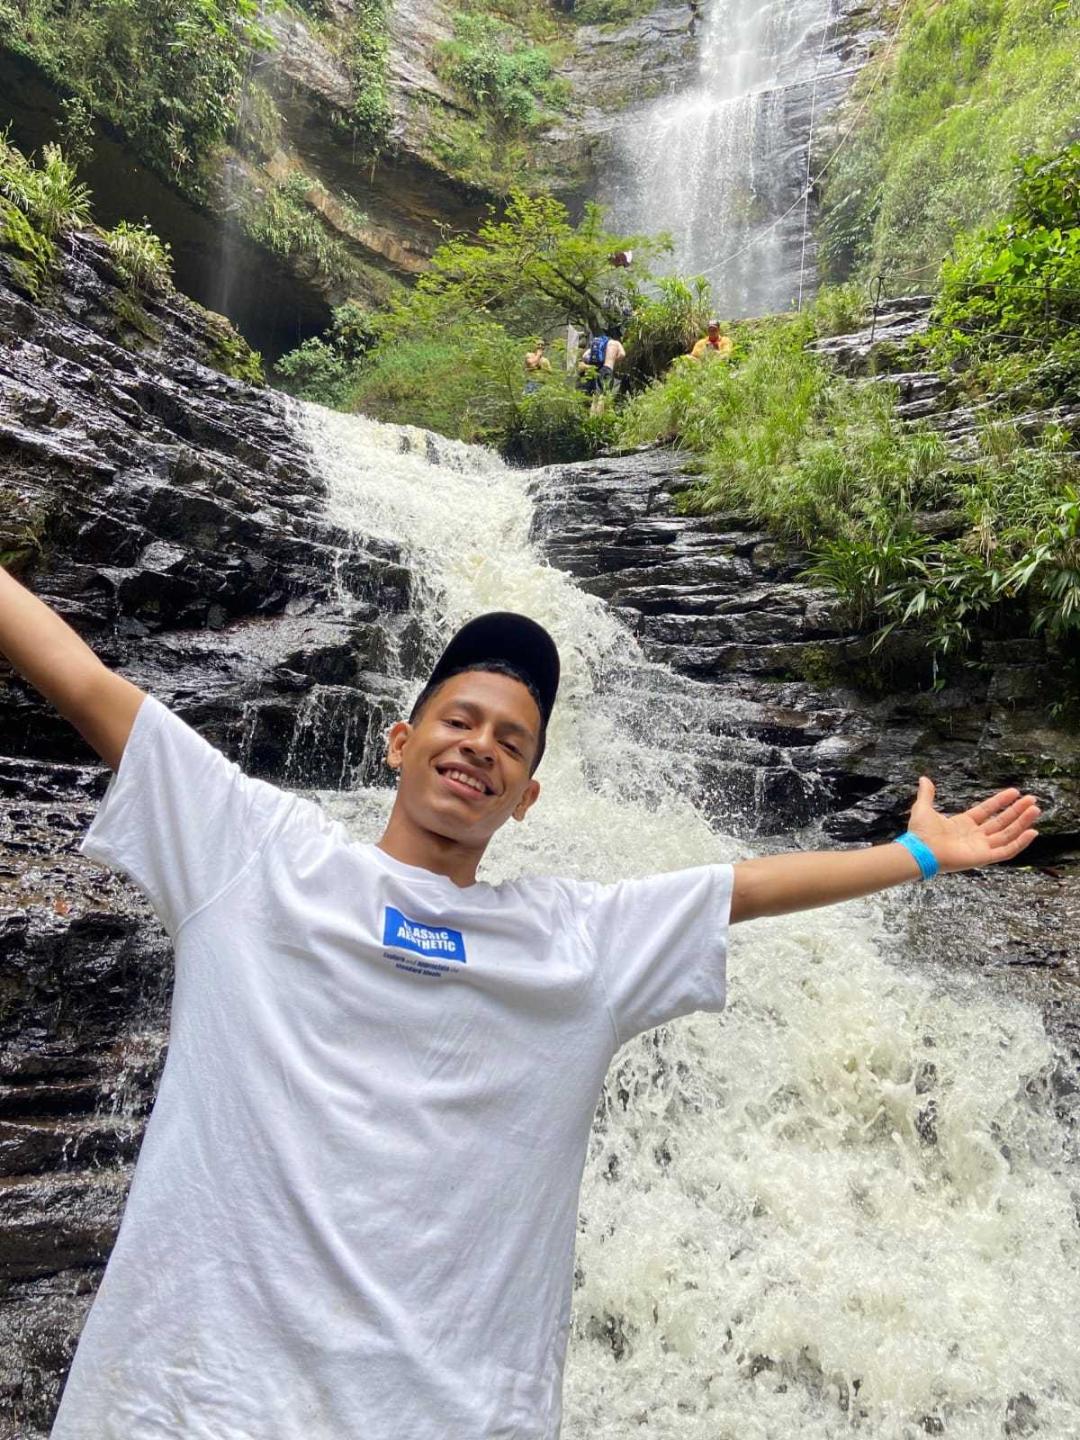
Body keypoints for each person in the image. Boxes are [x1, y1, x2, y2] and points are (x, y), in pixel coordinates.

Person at [0, 565, 1041, 1440]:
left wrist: (915, 855)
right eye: (460, 720)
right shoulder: (257, 854)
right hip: (195, 1403)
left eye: (511, 741)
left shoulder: (574, 944)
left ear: (529, 795)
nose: (481, 746)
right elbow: (84, 682)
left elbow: (743, 888)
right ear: (400, 741)